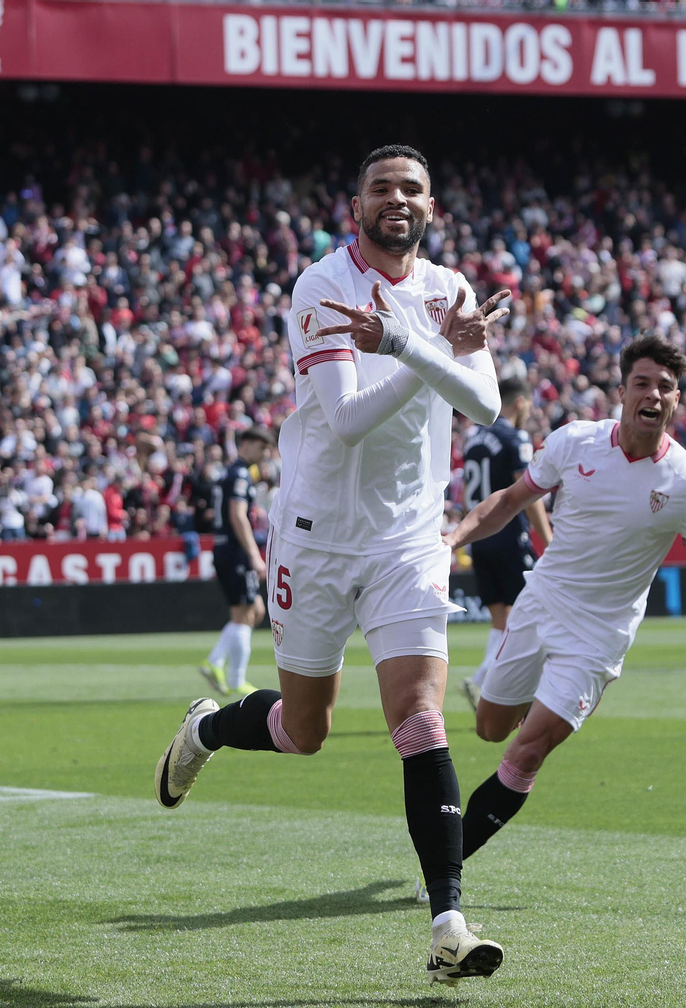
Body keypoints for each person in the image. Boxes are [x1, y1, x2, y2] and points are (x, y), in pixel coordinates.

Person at [153, 145, 508, 986]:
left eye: (412, 188)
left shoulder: (449, 289)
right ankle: (208, 727)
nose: (397, 198)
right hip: (314, 535)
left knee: (419, 719)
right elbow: (346, 420)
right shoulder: (321, 287)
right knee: (304, 731)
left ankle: (449, 924)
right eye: (381, 187)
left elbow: (486, 405)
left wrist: (418, 345)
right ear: (355, 206)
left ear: (432, 207)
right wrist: (428, 353)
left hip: (410, 540)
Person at [444, 336, 686, 894]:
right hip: (541, 603)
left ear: (676, 400)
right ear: (621, 392)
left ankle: (446, 866)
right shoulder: (574, 443)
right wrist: (455, 537)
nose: (653, 394)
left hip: (600, 636)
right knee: (491, 727)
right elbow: (511, 500)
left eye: (664, 386)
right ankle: (541, 700)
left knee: (527, 750)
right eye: (642, 383)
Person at [456, 378, 552, 714]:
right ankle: (504, 689)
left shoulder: (474, 439)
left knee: (502, 618)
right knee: (538, 613)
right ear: (521, 402)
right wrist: (549, 539)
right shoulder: (514, 437)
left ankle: (483, 683)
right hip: (509, 535)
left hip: (479, 538)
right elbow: (527, 492)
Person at [197, 427, 274, 698]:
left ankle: (217, 663)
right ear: (247, 445)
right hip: (235, 550)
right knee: (245, 612)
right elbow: (237, 515)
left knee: (255, 610)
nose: (265, 454)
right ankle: (231, 675)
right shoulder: (240, 473)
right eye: (262, 448)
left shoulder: (230, 473)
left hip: (226, 548)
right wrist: (254, 554)